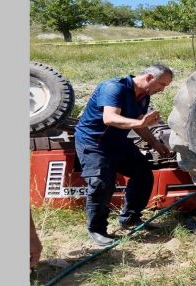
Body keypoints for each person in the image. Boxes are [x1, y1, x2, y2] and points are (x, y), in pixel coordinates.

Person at [74, 64, 173, 246]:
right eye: (162, 84)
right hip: (94, 141)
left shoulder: (144, 95)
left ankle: (130, 218)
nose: (163, 89)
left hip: (117, 141)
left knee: (143, 173)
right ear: (149, 78)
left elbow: (138, 124)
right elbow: (109, 118)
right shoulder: (114, 87)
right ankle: (97, 230)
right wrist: (141, 121)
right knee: (101, 183)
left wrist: (155, 143)